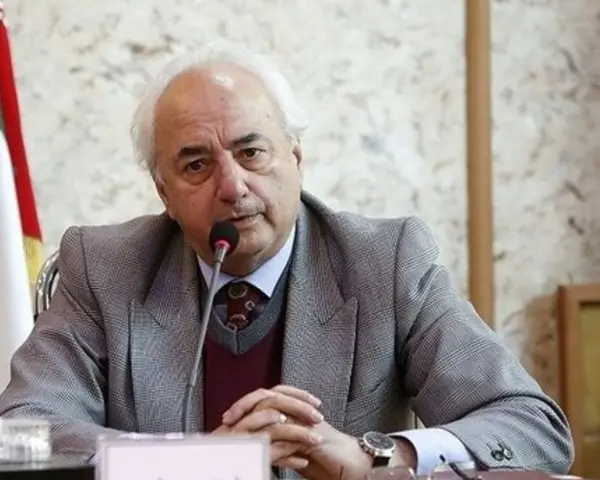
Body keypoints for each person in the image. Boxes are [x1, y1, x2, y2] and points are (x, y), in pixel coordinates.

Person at [0, 42, 573, 480]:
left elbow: (532, 427)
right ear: (163, 193)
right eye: (196, 165)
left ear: (297, 159)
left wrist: (376, 456)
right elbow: (22, 435)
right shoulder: (105, 268)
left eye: (252, 152)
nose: (232, 186)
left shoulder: (385, 262)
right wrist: (195, 461)